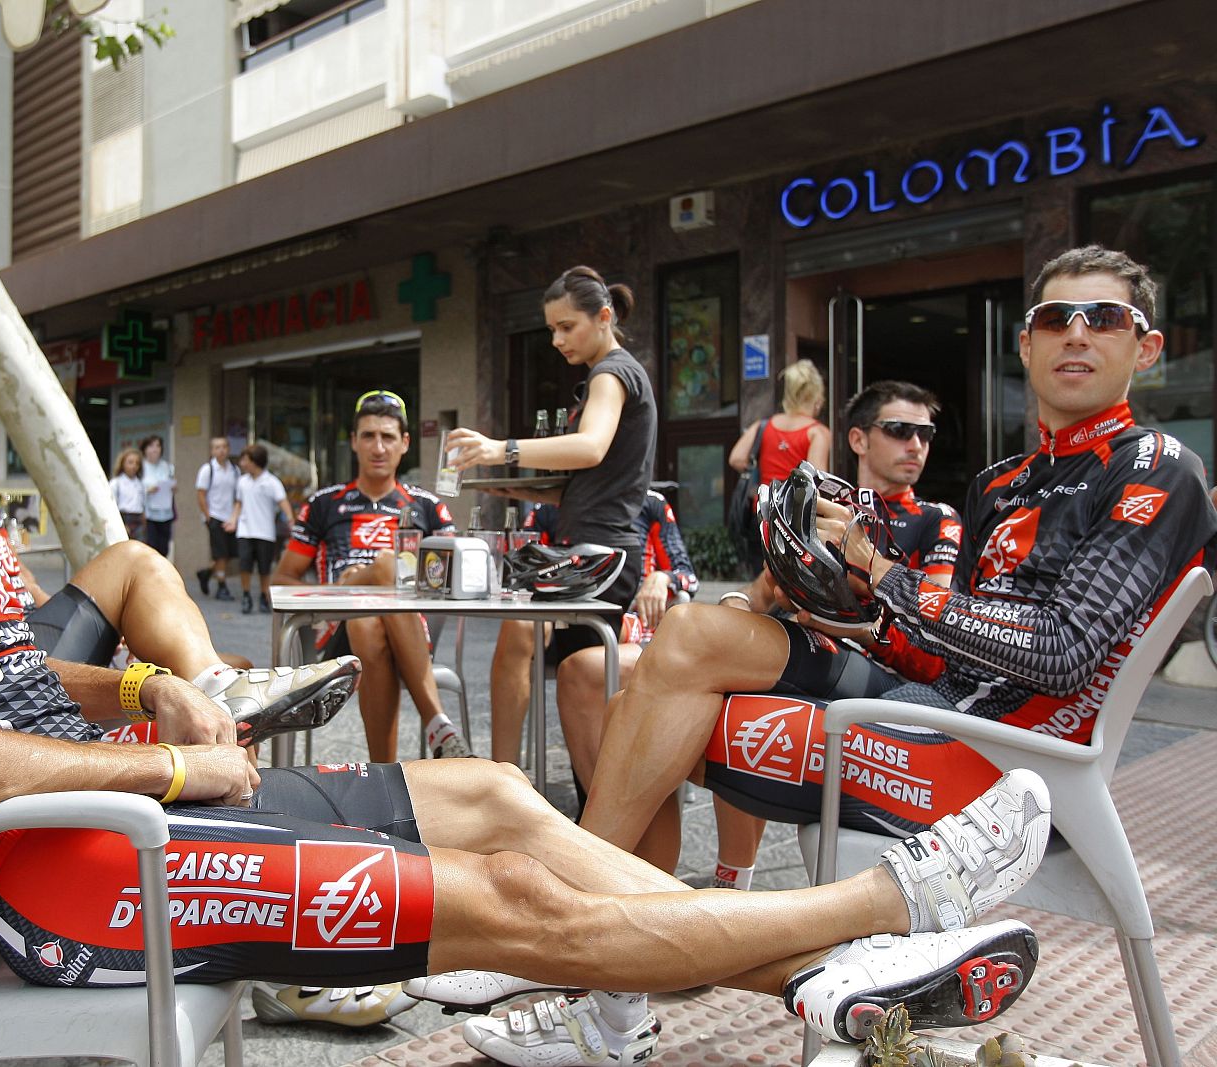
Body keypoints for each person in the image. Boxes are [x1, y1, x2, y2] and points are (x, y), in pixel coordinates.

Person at [0, 203, 1051, 1066]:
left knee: (486, 784)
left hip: (102, 790)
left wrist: (141, 682)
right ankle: (882, 912)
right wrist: (170, 764)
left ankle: (842, 980)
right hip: (61, 867)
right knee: (515, 901)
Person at [450, 245, 1216, 1065]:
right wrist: (840, 595)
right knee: (692, 636)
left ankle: (578, 969)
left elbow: (1061, 654)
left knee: (651, 714)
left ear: (1147, 347)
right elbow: (940, 650)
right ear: (1024, 346)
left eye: (1104, 318)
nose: (1076, 334)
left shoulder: (1159, 468)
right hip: (931, 709)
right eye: (1054, 319)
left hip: (1006, 772)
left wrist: (885, 578)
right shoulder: (1003, 481)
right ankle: (591, 962)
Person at [0, 351, 338, 731]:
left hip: (32, 634)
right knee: (133, 560)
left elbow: (26, 586)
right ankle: (222, 704)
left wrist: (111, 629)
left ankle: (240, 799)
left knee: (233, 666)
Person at [704, 379, 962, 890]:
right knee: (641, 683)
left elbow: (934, 653)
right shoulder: (824, 509)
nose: (916, 445)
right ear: (859, 440)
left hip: (894, 685)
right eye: (899, 430)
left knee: (727, 688)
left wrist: (852, 618)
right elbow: (759, 595)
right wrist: (731, 610)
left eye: (925, 434)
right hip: (814, 657)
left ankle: (728, 884)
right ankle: (682, 883)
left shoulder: (938, 521)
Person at [449, 266, 659, 761]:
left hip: (601, 556)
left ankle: (506, 776)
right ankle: (508, 776)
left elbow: (589, 448)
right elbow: (594, 482)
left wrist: (503, 448)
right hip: (593, 548)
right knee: (554, 666)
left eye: (567, 327)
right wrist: (511, 484)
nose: (556, 339)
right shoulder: (610, 374)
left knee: (536, 645)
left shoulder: (611, 372)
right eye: (551, 329)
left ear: (604, 317)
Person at [273, 390, 471, 762]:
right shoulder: (324, 503)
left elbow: (451, 580)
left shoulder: (428, 506)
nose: (378, 447)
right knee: (378, 583)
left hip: (410, 631)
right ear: (353, 442)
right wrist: (343, 588)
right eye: (368, 436)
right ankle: (437, 723)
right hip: (335, 631)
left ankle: (384, 773)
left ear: (405, 444)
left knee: (374, 605)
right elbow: (283, 579)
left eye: (388, 437)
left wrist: (366, 576)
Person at [489, 490, 698, 771]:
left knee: (596, 634)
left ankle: (600, 791)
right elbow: (518, 573)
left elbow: (686, 574)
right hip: (563, 623)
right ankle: (502, 773)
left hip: (629, 624)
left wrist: (663, 577)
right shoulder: (549, 506)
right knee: (519, 625)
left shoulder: (650, 503)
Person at [729, 358, 831, 570]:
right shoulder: (816, 432)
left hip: (763, 511)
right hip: (794, 519)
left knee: (761, 573)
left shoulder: (763, 426)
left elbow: (736, 458)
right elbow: (815, 481)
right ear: (817, 398)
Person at [231, 443, 292, 615]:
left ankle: (264, 596)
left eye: (245, 459)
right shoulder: (242, 482)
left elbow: (283, 502)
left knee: (264, 568)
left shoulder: (272, 482)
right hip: (245, 530)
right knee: (245, 565)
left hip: (265, 532)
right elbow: (239, 503)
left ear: (255, 461)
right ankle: (246, 595)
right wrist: (233, 519)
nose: (242, 463)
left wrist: (291, 520)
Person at [195, 436, 239, 600]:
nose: (221, 450)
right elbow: (201, 495)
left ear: (228, 449)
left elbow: (237, 495)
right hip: (214, 515)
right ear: (212, 451)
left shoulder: (234, 470)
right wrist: (208, 517)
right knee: (220, 554)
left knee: (228, 553)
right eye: (217, 447)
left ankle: (206, 573)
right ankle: (222, 586)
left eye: (224, 447)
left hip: (230, 518)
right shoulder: (207, 470)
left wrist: (235, 516)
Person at [140, 434, 176, 556]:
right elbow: (135, 490)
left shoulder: (167, 467)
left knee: (164, 547)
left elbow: (170, 482)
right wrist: (148, 490)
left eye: (158, 446)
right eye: (151, 446)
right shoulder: (141, 467)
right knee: (151, 546)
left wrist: (172, 487)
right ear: (144, 449)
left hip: (165, 511)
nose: (155, 449)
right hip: (149, 513)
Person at [109, 447, 148, 542]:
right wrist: (121, 524)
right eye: (130, 462)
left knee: (139, 549)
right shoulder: (116, 483)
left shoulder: (140, 484)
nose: (134, 466)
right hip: (124, 517)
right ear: (123, 464)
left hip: (138, 518)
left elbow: (142, 504)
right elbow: (111, 506)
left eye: (137, 463)